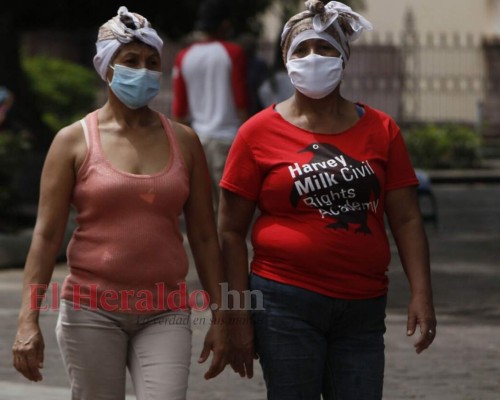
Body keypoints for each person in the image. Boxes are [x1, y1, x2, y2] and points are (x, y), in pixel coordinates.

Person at [218, 1, 437, 399]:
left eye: (325, 48)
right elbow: (230, 231)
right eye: (301, 50)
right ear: (286, 59)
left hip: (363, 305)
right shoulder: (256, 133)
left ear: (344, 57)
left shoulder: (382, 129)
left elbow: (406, 220)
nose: (313, 58)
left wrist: (422, 292)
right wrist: (236, 314)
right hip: (283, 299)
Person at [12, 7, 229, 400]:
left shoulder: (185, 141)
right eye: (130, 61)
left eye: (151, 62)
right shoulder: (72, 142)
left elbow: (204, 236)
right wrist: (29, 319)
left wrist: (222, 315)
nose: (142, 71)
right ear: (105, 66)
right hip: (90, 311)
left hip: (165, 310)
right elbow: (45, 237)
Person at [171, 0, 249, 209]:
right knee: (230, 211)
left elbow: (179, 109)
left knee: (203, 209)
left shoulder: (183, 56)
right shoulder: (233, 53)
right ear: (224, 24)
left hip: (198, 142)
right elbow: (241, 100)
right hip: (228, 141)